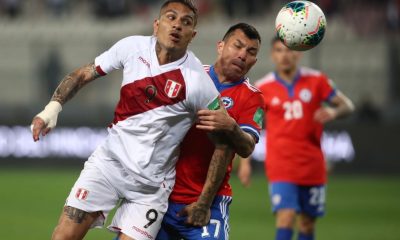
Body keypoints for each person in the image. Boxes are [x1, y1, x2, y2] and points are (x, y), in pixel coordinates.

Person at [30, 1, 234, 240]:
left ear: (193, 35)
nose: (177, 25)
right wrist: (51, 109)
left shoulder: (198, 82)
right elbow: (84, 73)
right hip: (108, 165)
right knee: (63, 237)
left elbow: (224, 140)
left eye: (186, 22)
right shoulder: (132, 48)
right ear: (156, 25)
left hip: (150, 187)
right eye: (171, 18)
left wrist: (205, 200)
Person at [239, 37, 355, 240]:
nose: (284, 55)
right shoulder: (262, 87)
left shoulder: (317, 80)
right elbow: (250, 127)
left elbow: (348, 105)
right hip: (281, 165)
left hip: (312, 164)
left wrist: (334, 113)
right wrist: (245, 163)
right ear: (272, 55)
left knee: (307, 224)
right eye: (278, 51)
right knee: (286, 217)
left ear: (298, 53)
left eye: (289, 51)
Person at [156, 23, 264, 240]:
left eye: (250, 52)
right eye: (238, 46)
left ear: (255, 61)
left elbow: (247, 147)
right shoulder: (190, 75)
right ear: (221, 46)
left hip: (209, 201)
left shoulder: (252, 97)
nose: (243, 55)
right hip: (160, 195)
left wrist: (231, 126)